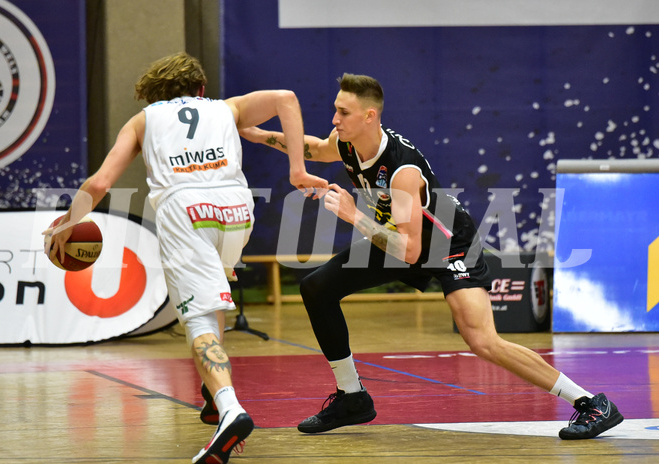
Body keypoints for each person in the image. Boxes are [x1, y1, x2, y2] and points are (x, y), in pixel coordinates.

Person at [240, 73, 623, 440]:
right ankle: (352, 397)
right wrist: (260, 135)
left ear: (369, 116)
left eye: (343, 112)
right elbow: (317, 149)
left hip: (447, 242)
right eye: (336, 109)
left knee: (482, 341)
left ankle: (591, 403)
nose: (334, 119)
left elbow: (410, 251)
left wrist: (353, 215)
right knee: (317, 287)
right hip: (401, 236)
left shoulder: (402, 170)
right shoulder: (346, 142)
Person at [43, 52, 328, 464]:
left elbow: (102, 182)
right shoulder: (226, 108)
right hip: (236, 208)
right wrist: (297, 169)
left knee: (196, 316)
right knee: (212, 301)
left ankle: (230, 408)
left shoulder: (143, 121)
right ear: (201, 89)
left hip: (185, 209)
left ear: (154, 94)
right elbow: (286, 98)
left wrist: (68, 223)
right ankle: (215, 395)